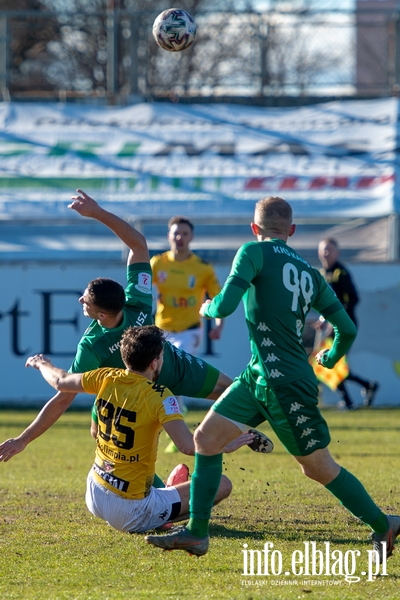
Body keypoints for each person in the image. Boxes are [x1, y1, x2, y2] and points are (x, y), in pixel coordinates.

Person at [145, 196, 400, 562]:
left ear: (254, 228)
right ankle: (197, 533)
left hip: (284, 383)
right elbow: (346, 327)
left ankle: (382, 523)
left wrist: (208, 307)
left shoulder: (252, 252)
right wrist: (332, 355)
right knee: (206, 439)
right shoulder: (311, 274)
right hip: (259, 376)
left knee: (317, 468)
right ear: (292, 232)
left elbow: (225, 304)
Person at [0, 190, 263, 464]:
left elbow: (63, 396)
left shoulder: (93, 344)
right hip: (165, 366)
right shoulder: (136, 299)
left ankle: (235, 436)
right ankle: (178, 471)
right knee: (100, 431)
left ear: (101, 315)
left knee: (230, 392)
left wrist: (23, 439)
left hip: (160, 369)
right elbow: (138, 245)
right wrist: (98, 212)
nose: (80, 299)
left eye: (86, 300)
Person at [19, 325, 234, 534]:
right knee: (221, 484)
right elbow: (187, 446)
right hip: (130, 510)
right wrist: (225, 443)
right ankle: (163, 512)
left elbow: (61, 380)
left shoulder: (105, 377)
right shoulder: (160, 395)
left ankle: (165, 495)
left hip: (94, 491)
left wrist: (42, 364)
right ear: (155, 362)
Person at [317, 237, 379, 409]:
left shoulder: (341, 273)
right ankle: (364, 388)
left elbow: (353, 299)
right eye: (323, 250)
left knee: (331, 361)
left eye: (329, 250)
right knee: (329, 363)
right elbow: (325, 304)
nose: (325, 253)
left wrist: (336, 320)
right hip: (333, 325)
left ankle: (350, 399)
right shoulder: (322, 273)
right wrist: (324, 319)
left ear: (338, 253)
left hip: (345, 326)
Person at [151, 216, 223, 356]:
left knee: (178, 366)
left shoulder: (203, 268)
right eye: (176, 233)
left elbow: (218, 299)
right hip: (162, 329)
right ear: (169, 236)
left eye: (185, 234)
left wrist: (219, 326)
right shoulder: (158, 263)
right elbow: (141, 289)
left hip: (190, 331)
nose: (180, 237)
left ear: (191, 237)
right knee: (159, 373)